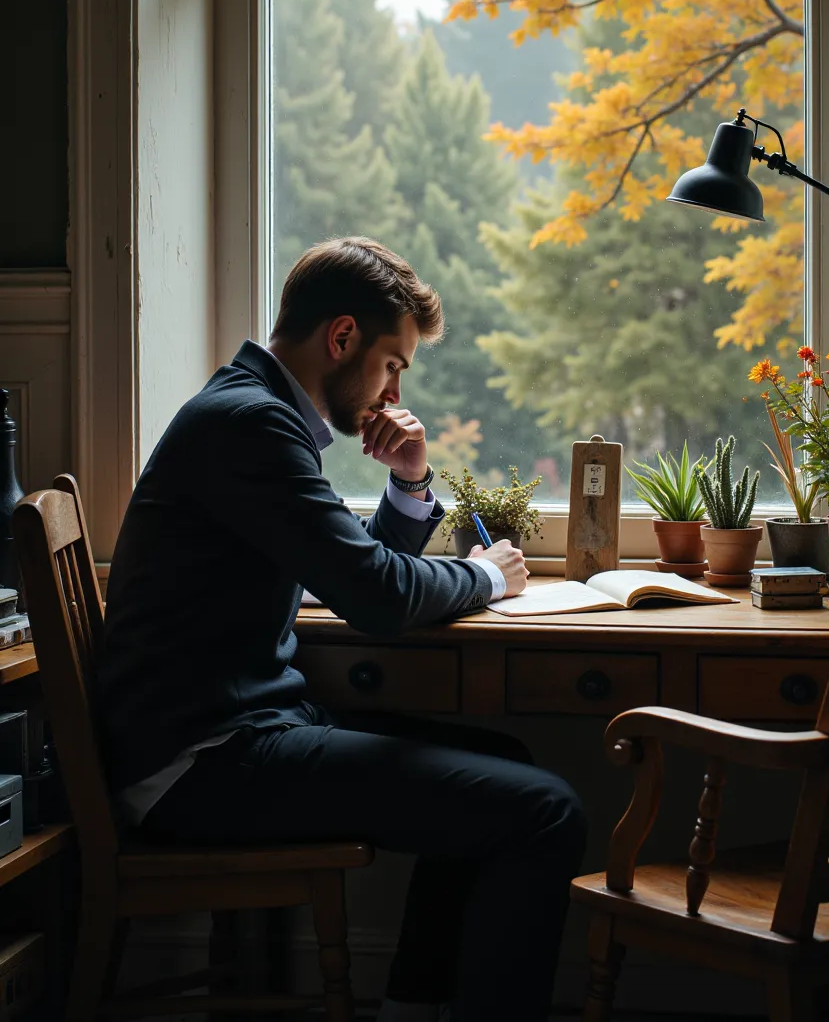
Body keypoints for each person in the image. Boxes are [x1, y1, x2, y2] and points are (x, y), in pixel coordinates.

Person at [98, 237, 586, 1022]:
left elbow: (355, 572)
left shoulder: (253, 411)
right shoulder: (249, 425)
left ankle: (411, 1007)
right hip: (203, 762)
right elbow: (380, 598)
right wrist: (492, 574)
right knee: (543, 811)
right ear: (343, 338)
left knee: (506, 760)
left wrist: (411, 482)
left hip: (240, 731)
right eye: (394, 364)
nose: (392, 391)